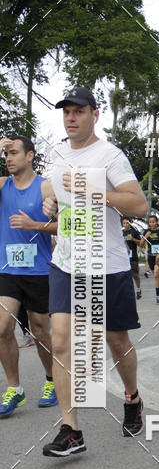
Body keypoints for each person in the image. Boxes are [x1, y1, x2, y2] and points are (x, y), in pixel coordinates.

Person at [41, 87, 148, 457]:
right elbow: (49, 188)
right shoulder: (56, 153)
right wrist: (49, 200)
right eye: (66, 112)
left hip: (107, 265)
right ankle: (71, 430)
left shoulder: (110, 155)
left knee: (116, 342)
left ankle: (132, 396)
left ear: (95, 114)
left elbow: (139, 204)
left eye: (78, 111)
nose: (71, 118)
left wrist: (93, 190)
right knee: (59, 342)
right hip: (66, 263)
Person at [0, 135, 57, 416]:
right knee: (1, 327)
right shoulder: (2, 185)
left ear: (30, 155)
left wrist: (36, 222)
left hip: (39, 269)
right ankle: (14, 389)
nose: (8, 158)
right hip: (8, 269)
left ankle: (51, 380)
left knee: (39, 328)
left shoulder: (45, 185)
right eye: (5, 153)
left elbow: (64, 225)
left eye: (13, 152)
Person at [143, 214, 159, 302]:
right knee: (156, 276)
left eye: (153, 222)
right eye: (150, 222)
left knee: (156, 273)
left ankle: (157, 294)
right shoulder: (146, 231)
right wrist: (146, 237)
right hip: (150, 256)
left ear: (157, 222)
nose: (151, 224)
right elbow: (141, 244)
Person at [122, 217, 143, 299]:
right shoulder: (121, 232)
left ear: (130, 223)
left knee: (135, 275)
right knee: (126, 276)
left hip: (133, 257)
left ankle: (138, 289)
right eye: (124, 223)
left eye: (127, 223)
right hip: (123, 258)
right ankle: (128, 292)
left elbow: (141, 244)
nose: (126, 224)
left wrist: (133, 239)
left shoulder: (134, 231)